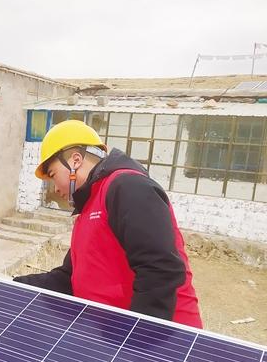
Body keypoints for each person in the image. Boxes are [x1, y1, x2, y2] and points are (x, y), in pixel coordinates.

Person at [13, 120, 202, 328]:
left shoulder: (128, 187)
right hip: (114, 333)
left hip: (164, 338)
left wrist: (137, 338)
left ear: (75, 160)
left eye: (53, 175)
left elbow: (160, 270)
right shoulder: (89, 207)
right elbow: (68, 278)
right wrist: (11, 286)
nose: (55, 188)